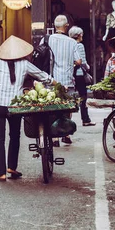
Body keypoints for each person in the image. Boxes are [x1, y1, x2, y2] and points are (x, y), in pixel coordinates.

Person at [0, 35, 54, 182]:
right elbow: (42, 76)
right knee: (15, 136)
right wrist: (56, 83)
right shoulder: (24, 64)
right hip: (15, 106)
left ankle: (1, 173)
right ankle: (12, 167)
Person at [48, 15, 81, 144]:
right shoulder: (72, 42)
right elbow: (78, 61)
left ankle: (54, 137)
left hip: (51, 80)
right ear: (66, 26)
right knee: (67, 108)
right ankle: (66, 135)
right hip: (67, 80)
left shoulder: (47, 39)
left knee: (53, 108)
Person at [69, 26, 95, 127]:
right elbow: (82, 62)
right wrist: (87, 67)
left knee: (70, 98)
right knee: (83, 97)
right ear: (79, 35)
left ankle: (68, 121)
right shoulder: (79, 45)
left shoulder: (69, 44)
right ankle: (85, 119)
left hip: (71, 75)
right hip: (80, 75)